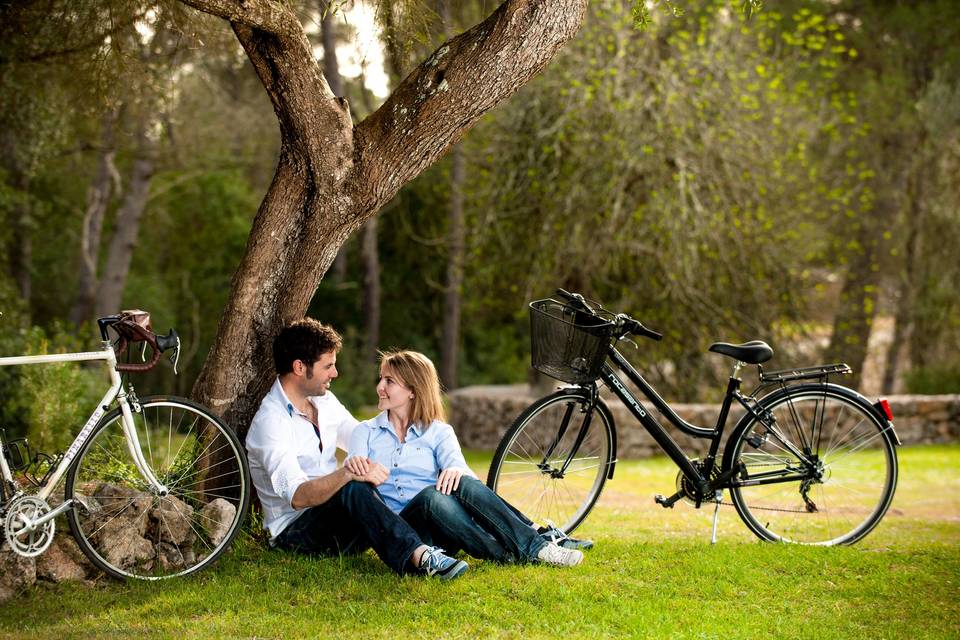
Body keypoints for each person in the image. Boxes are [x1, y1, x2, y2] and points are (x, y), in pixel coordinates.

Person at [245, 319, 468, 580]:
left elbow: (367, 438)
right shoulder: (271, 422)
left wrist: (432, 448)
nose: (335, 373)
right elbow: (298, 497)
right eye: (328, 366)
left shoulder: (324, 402)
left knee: (413, 491)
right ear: (299, 367)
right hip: (297, 531)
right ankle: (421, 557)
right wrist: (347, 473)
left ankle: (468, 541)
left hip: (345, 520)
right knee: (355, 486)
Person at [346, 350, 591, 567]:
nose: (380, 386)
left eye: (389, 381)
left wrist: (454, 469)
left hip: (446, 529)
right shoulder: (364, 432)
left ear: (413, 390)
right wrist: (361, 470)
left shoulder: (439, 432)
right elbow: (355, 475)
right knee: (431, 496)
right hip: (400, 533)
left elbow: (459, 469)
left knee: (458, 481)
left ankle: (532, 548)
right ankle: (528, 548)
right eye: (381, 378)